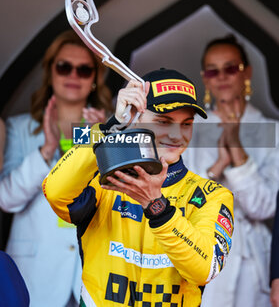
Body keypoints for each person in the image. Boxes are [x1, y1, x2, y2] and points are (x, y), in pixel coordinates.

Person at [43, 68, 234, 307]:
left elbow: (204, 269)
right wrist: (113, 127)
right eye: (163, 121)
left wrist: (157, 207)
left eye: (186, 124)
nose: (176, 135)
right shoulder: (105, 180)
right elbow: (55, 193)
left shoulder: (212, 195)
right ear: (135, 117)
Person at [0, 29, 113, 307]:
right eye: (64, 67)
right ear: (51, 73)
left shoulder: (111, 129)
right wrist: (46, 149)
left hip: (92, 271)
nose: (73, 76)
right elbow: (6, 198)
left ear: (95, 80)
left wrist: (103, 144)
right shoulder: (20, 128)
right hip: (36, 272)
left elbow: (120, 198)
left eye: (84, 70)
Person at [183, 34, 279, 307]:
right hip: (201, 251)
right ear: (205, 78)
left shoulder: (273, 130)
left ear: (247, 72)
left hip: (253, 264)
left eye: (230, 68)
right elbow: (188, 202)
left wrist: (236, 149)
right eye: (213, 70)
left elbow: (265, 207)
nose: (221, 76)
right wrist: (219, 166)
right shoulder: (191, 130)